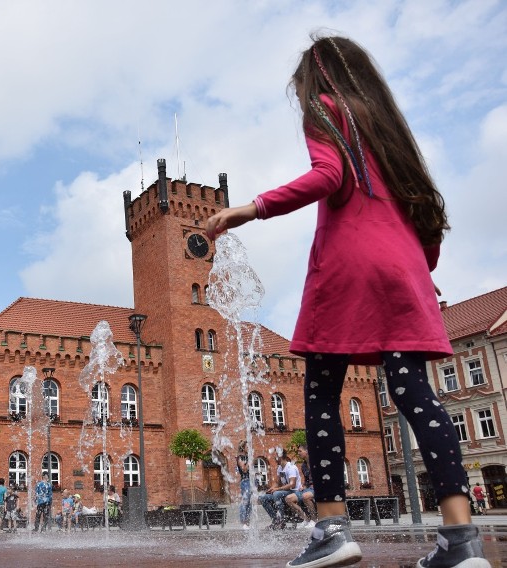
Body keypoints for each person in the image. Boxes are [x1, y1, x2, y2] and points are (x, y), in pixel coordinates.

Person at [206, 34, 489, 568]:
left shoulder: (327, 110)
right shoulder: (390, 131)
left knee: (321, 392)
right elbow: (427, 211)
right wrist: (418, 270)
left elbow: (328, 175)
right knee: (416, 395)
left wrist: (253, 207)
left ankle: (332, 529)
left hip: (349, 268)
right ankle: (461, 541)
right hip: (404, 269)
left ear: (317, 80)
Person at [258, 451, 300, 529]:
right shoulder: (280, 468)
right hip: (285, 491)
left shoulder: (291, 467)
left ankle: (282, 521)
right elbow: (278, 482)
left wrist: (277, 489)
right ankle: (275, 520)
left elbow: (292, 484)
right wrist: (271, 489)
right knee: (262, 497)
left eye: (276, 456)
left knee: (276, 494)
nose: (275, 458)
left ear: (281, 457)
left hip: (294, 491)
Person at [286, 443, 317, 528]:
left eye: (300, 451)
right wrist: (303, 486)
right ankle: (306, 519)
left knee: (305, 496)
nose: (298, 453)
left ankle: (314, 520)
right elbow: (307, 480)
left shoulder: (316, 462)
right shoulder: (303, 465)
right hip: (308, 489)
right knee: (289, 498)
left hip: (318, 489)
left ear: (307, 451)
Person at [235, 441, 252, 530]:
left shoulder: (247, 457)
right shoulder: (240, 457)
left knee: (250, 502)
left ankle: (248, 522)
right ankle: (243, 522)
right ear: (243, 447)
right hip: (245, 481)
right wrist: (250, 460)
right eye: (247, 446)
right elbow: (244, 470)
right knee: (245, 501)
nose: (249, 448)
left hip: (251, 481)